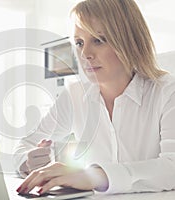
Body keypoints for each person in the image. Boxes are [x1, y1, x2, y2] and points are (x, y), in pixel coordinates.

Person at [14, 0, 175, 195]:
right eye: (79, 43)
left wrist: (94, 176)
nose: (85, 54)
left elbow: (171, 167)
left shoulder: (167, 91)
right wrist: (28, 161)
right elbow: (25, 144)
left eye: (98, 40)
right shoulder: (74, 95)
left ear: (128, 41)